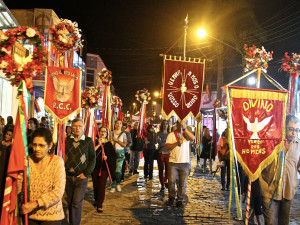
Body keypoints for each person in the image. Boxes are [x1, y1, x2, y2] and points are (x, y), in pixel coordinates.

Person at [259, 115, 300, 225]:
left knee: (284, 222)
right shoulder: (271, 142)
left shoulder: (298, 144)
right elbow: (259, 164)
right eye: (291, 129)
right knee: (271, 222)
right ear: (284, 127)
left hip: (288, 191)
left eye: (296, 130)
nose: (294, 133)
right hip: (269, 191)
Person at [21, 128, 66, 225]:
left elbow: (58, 191)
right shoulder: (27, 161)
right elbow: (19, 187)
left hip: (52, 216)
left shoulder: (57, 162)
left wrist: (36, 203)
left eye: (41, 145)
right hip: (30, 214)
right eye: (34, 144)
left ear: (49, 145)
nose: (37, 149)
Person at [65, 118, 96, 225]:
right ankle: (72, 222)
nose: (77, 128)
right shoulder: (67, 140)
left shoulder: (88, 141)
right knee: (69, 203)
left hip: (81, 178)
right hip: (68, 177)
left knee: (76, 203)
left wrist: (86, 173)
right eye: (75, 126)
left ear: (83, 128)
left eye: (79, 126)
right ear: (71, 128)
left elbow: (92, 158)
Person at [165, 120, 195, 208]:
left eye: (184, 123)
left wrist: (184, 128)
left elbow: (192, 138)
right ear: (177, 124)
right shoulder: (171, 134)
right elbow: (167, 147)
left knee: (182, 183)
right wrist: (176, 143)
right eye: (180, 123)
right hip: (173, 162)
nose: (182, 124)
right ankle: (171, 197)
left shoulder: (186, 134)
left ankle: (179, 199)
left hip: (185, 162)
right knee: (171, 181)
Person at [91, 127, 116, 213]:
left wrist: (107, 158)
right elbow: (91, 153)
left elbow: (113, 156)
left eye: (104, 131)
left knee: (101, 186)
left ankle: (99, 204)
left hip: (104, 169)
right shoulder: (94, 142)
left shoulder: (109, 144)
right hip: (95, 168)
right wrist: (98, 144)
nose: (103, 132)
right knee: (95, 185)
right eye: (101, 131)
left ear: (106, 134)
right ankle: (96, 199)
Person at [110, 119, 127, 192]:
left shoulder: (123, 134)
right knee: (112, 170)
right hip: (112, 152)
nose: (118, 124)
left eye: (120, 123)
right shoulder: (111, 133)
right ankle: (113, 185)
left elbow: (124, 145)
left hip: (120, 153)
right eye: (117, 123)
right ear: (115, 124)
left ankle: (118, 184)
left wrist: (117, 141)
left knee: (118, 170)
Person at [0, 127, 13, 217]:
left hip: (6, 169)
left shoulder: (12, 146)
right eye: (6, 134)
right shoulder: (1, 144)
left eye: (9, 135)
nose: (7, 136)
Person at [157, 120, 170, 191]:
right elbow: (159, 142)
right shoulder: (158, 133)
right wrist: (165, 143)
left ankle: (165, 180)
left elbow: (170, 143)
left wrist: (163, 142)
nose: (165, 125)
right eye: (164, 124)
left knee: (168, 169)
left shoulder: (169, 134)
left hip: (168, 153)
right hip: (161, 153)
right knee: (161, 169)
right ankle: (162, 185)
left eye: (166, 124)